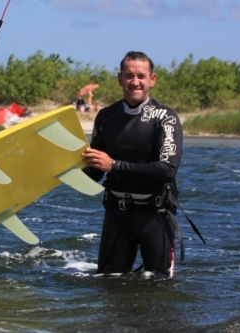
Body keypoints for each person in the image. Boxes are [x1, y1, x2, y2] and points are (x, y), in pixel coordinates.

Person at [82, 51, 183, 277]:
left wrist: (114, 166)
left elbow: (167, 170)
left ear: (152, 79)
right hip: (117, 214)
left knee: (160, 289)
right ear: (120, 79)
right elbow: (96, 172)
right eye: (129, 76)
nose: (134, 82)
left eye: (141, 76)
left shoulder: (165, 117)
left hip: (155, 214)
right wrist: (68, 166)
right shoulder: (106, 116)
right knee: (109, 284)